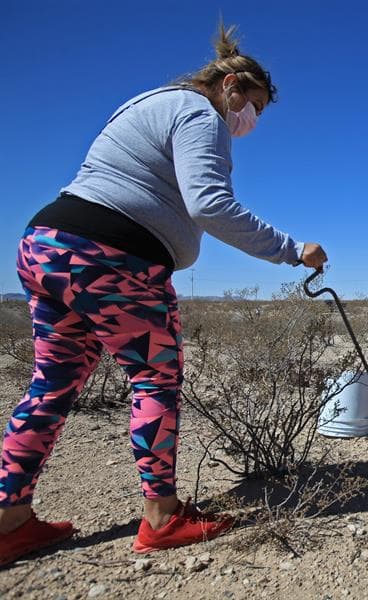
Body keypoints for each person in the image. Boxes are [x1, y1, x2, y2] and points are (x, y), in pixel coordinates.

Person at [0, 23, 327, 566]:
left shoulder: (147, 103)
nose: (252, 119)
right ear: (231, 86)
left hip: (49, 246)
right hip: (110, 258)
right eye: (256, 106)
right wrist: (293, 249)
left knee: (52, 384)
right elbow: (209, 204)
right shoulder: (200, 112)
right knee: (155, 376)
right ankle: (163, 518)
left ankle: (9, 520)